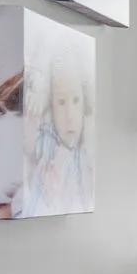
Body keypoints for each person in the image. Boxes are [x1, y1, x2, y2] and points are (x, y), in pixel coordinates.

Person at [15, 41, 93, 217]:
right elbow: (28, 148)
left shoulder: (88, 147)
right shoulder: (48, 141)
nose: (69, 115)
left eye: (75, 100)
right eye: (61, 102)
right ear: (51, 106)